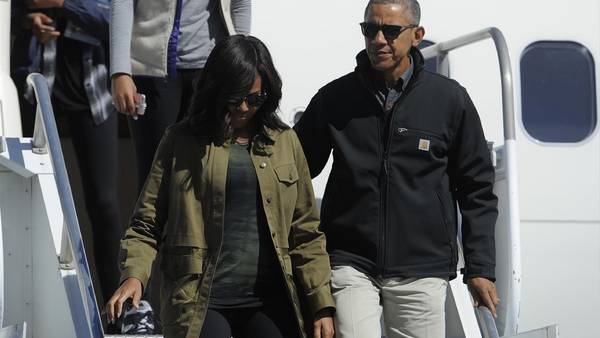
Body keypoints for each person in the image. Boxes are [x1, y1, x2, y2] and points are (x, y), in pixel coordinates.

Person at [106, 35, 336, 338]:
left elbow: (305, 231)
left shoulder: (285, 142)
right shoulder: (180, 141)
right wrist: (134, 276)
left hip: (271, 300)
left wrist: (321, 304)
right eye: (235, 97)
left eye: (254, 99)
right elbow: (146, 224)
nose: (243, 107)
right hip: (198, 300)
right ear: (216, 90)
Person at [294, 0, 500, 337]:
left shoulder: (449, 100)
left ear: (417, 35)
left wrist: (481, 267)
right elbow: (294, 171)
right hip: (350, 261)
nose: (378, 39)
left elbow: (477, 187)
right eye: (369, 30)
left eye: (390, 31)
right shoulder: (334, 99)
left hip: (422, 266)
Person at [10, 0, 121, 323]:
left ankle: (116, 306)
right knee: (32, 199)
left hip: (94, 95)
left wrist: (62, 4)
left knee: (103, 203)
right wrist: (30, 20)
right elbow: (12, 12)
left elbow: (117, 22)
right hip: (37, 89)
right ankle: (34, 307)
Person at [109, 0, 251, 191]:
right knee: (155, 179)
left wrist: (241, 63)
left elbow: (240, 3)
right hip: (152, 69)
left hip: (211, 68)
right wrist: (120, 71)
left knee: (207, 174)